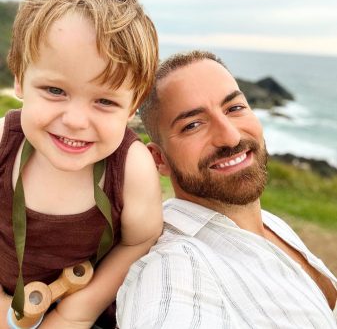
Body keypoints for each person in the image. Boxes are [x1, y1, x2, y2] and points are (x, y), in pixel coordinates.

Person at [116, 50, 337, 328]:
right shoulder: (174, 266)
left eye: (234, 108)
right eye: (193, 125)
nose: (230, 137)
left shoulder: (267, 222)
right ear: (159, 159)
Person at [0, 0, 163, 329]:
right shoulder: (3, 144)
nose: (75, 120)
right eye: (55, 90)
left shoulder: (131, 168)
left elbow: (140, 240)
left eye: (105, 101)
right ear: (21, 80)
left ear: (133, 106)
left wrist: (80, 311)